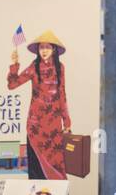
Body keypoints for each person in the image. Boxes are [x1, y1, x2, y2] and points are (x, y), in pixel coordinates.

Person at [7, 31, 71, 179]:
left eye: (47, 47)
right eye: (41, 47)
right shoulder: (34, 67)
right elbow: (13, 84)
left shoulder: (60, 68)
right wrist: (14, 65)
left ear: (54, 49)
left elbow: (62, 94)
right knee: (36, 168)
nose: (44, 50)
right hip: (35, 126)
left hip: (54, 126)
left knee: (56, 165)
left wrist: (66, 121)